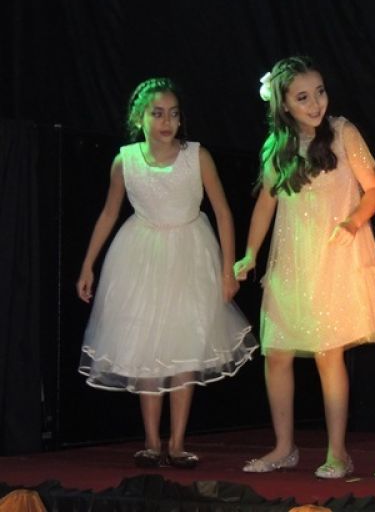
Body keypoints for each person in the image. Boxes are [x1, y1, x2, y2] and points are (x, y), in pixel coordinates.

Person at [77, 77, 257, 469]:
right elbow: (109, 212)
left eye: (174, 114)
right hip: (141, 256)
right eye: (157, 114)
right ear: (138, 117)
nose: (167, 122)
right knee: (146, 347)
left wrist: (227, 270)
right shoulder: (125, 161)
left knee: (184, 345)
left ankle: (176, 443)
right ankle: (150, 440)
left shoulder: (197, 156)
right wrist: (88, 263)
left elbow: (223, 212)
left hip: (190, 253)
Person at [234, 56, 375, 479]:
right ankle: (284, 447)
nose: (316, 103)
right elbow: (266, 204)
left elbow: (374, 189)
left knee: (328, 354)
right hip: (290, 262)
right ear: (284, 104)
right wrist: (249, 253)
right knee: (277, 354)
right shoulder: (276, 147)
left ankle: (338, 452)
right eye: (303, 97)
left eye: (319, 92)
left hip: (333, 257)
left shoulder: (343, 133)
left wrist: (352, 223)